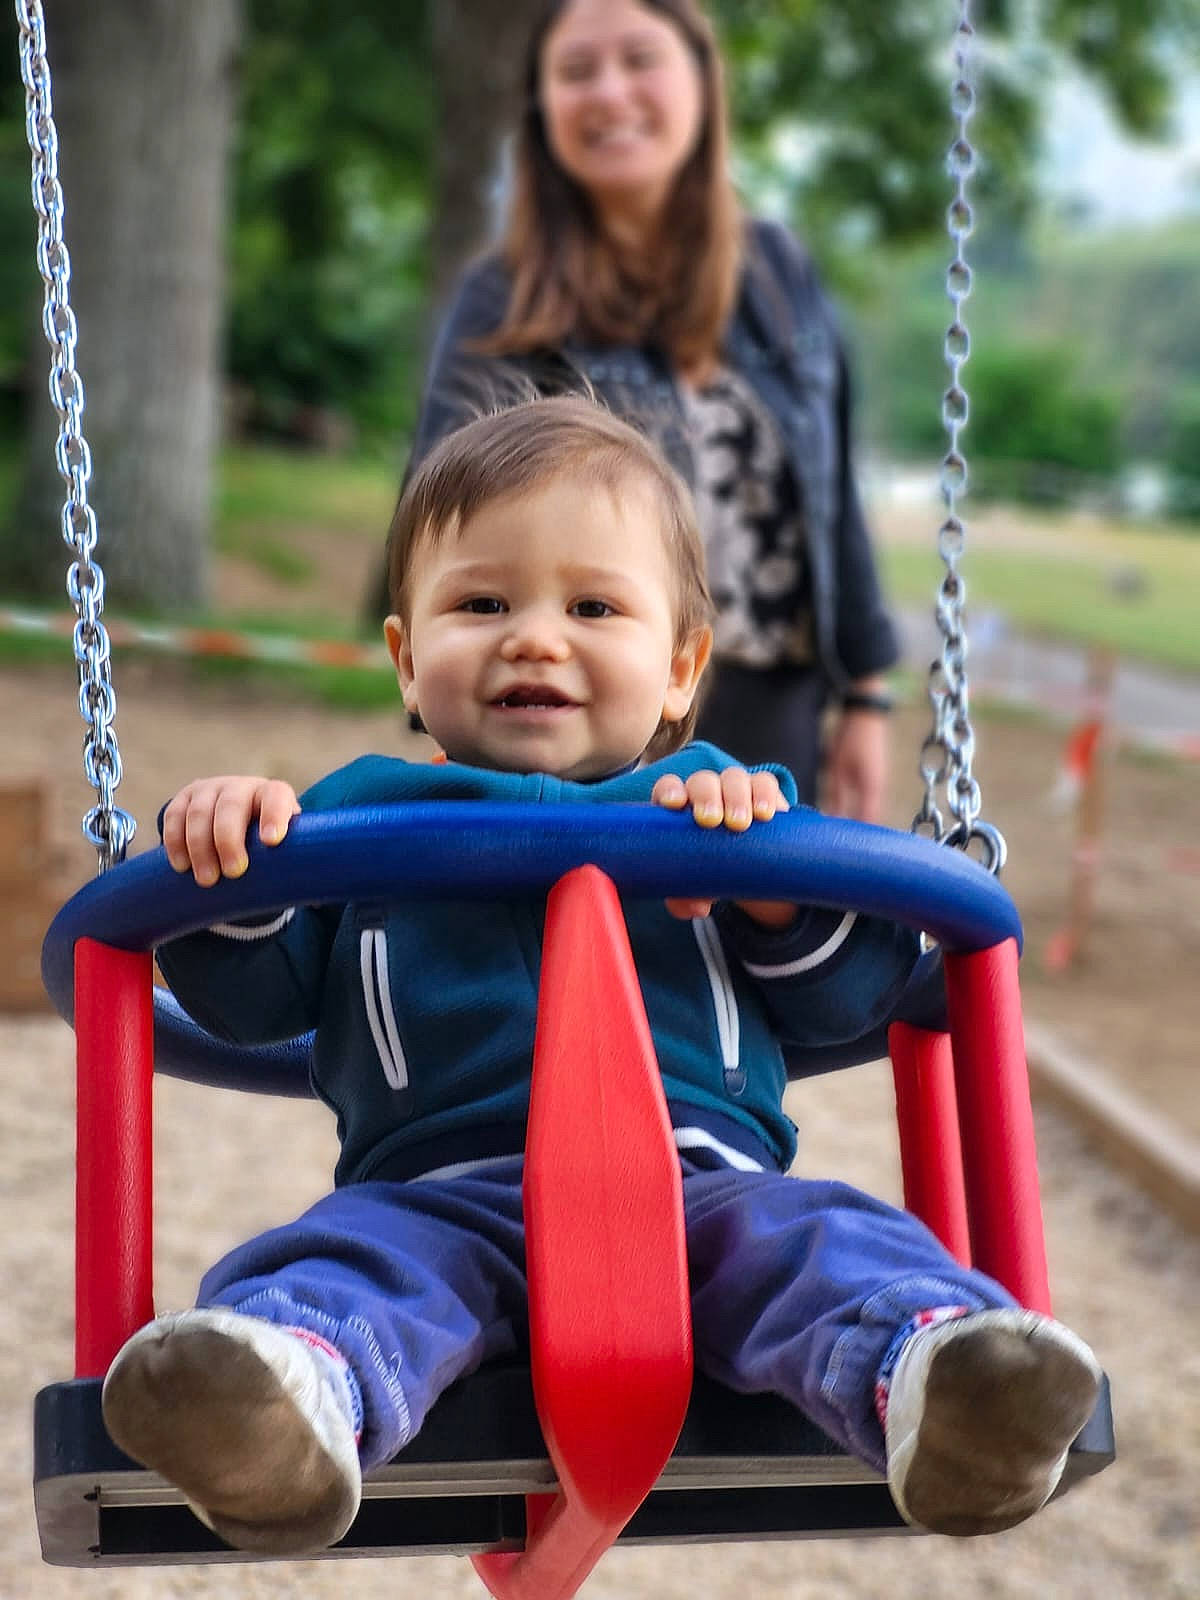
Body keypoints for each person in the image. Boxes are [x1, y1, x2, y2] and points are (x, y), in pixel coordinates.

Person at [102, 398, 1100, 1558]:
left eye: (592, 606)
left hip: (700, 1187)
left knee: (821, 1241)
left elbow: (847, 996)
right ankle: (277, 1408)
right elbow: (250, 997)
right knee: (346, 1266)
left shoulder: (724, 810)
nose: (534, 636)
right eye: (482, 603)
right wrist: (229, 860)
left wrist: (770, 884)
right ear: (406, 660)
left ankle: (951, 1384)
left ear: (681, 667)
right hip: (435, 1190)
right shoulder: (350, 820)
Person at [378, 0, 900, 820]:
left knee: (760, 924)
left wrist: (866, 695)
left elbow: (833, 497)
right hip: (579, 699)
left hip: (771, 692)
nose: (610, 93)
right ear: (544, 110)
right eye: (577, 72)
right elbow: (441, 508)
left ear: (701, 82)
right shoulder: (505, 295)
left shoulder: (778, 274)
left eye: (639, 60)